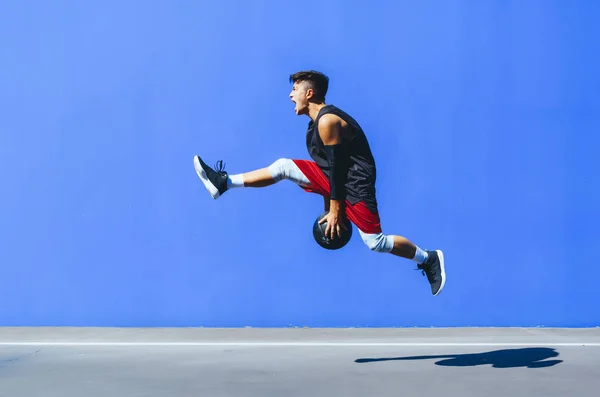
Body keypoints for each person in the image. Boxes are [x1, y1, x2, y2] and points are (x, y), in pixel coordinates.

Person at [193, 70, 446, 296]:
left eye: (295, 90)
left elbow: (336, 171)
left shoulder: (327, 121)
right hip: (338, 183)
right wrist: (329, 211)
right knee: (283, 167)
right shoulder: (313, 128)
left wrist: (336, 210)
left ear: (309, 93)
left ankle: (428, 258)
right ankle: (224, 183)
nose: (291, 95)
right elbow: (328, 173)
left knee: (375, 242)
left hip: (355, 187)